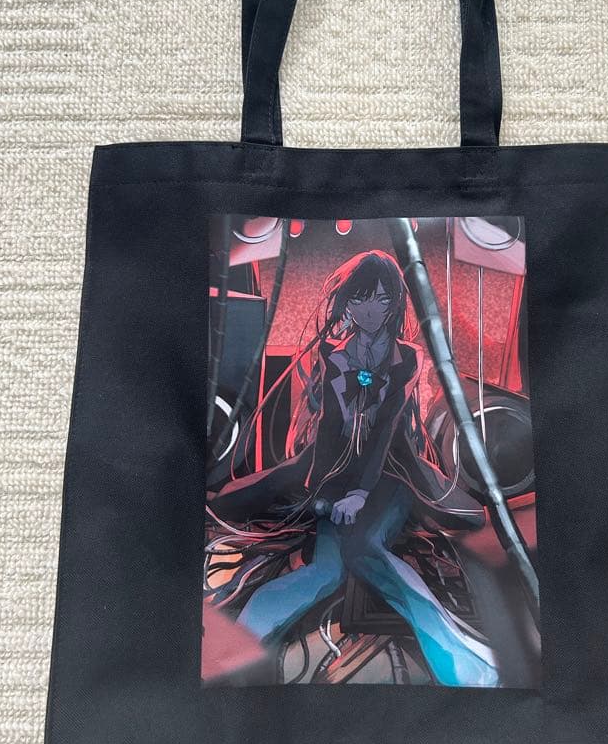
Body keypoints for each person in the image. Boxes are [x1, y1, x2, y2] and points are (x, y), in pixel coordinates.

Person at [205, 249, 499, 686]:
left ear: (395, 303)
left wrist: (360, 492)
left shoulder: (407, 357)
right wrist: (323, 490)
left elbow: (384, 430)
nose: (371, 310)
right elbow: (329, 428)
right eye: (361, 298)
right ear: (346, 304)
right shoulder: (334, 355)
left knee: (365, 548)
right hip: (336, 475)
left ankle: (467, 666)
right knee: (325, 570)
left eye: (382, 298)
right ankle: (231, 652)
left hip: (391, 473)